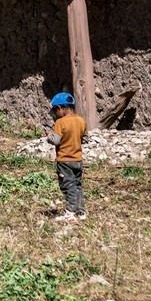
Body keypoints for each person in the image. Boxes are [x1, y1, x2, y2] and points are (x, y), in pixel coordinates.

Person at [47, 92, 88, 222]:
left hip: (65, 160)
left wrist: (49, 135)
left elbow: (56, 140)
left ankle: (70, 213)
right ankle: (81, 212)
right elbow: (85, 139)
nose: (55, 114)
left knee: (68, 185)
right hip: (78, 160)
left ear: (59, 108)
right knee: (77, 185)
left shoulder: (60, 122)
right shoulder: (81, 120)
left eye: (54, 111)